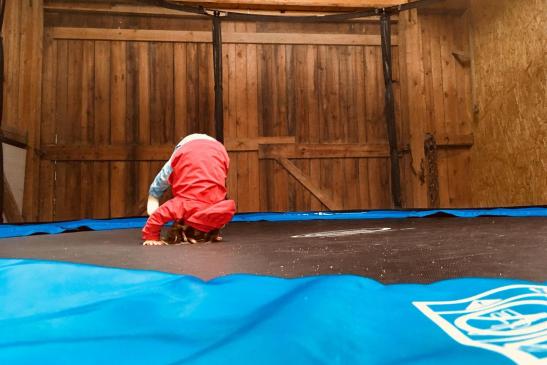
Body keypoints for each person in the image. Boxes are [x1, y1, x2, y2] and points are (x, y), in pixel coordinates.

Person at [142, 133, 236, 246]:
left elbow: (222, 216)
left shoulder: (219, 209)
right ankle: (154, 194)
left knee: (215, 175)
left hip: (217, 150)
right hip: (188, 147)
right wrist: (151, 237)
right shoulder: (182, 205)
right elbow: (156, 217)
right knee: (165, 176)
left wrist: (213, 231)